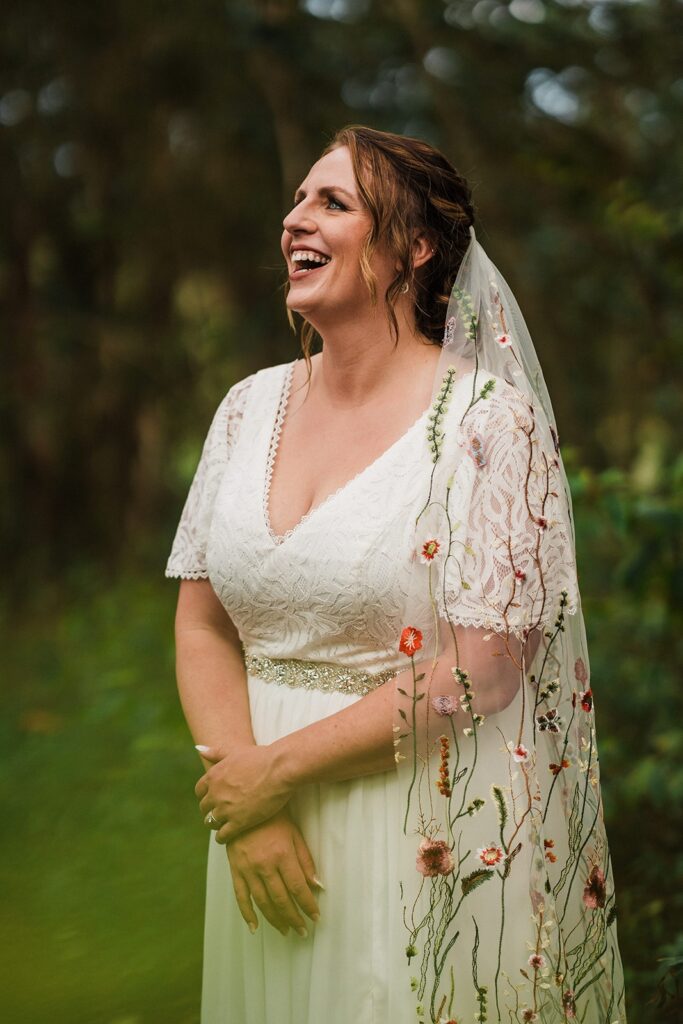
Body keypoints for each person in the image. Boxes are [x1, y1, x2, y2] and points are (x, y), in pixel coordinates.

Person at [165, 126, 626, 1024]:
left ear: (412, 248)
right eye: (297, 199)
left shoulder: (489, 421)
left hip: (419, 819)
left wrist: (275, 773)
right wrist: (251, 809)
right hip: (259, 829)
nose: (296, 217)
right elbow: (201, 625)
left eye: (332, 202)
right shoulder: (245, 407)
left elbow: (484, 668)